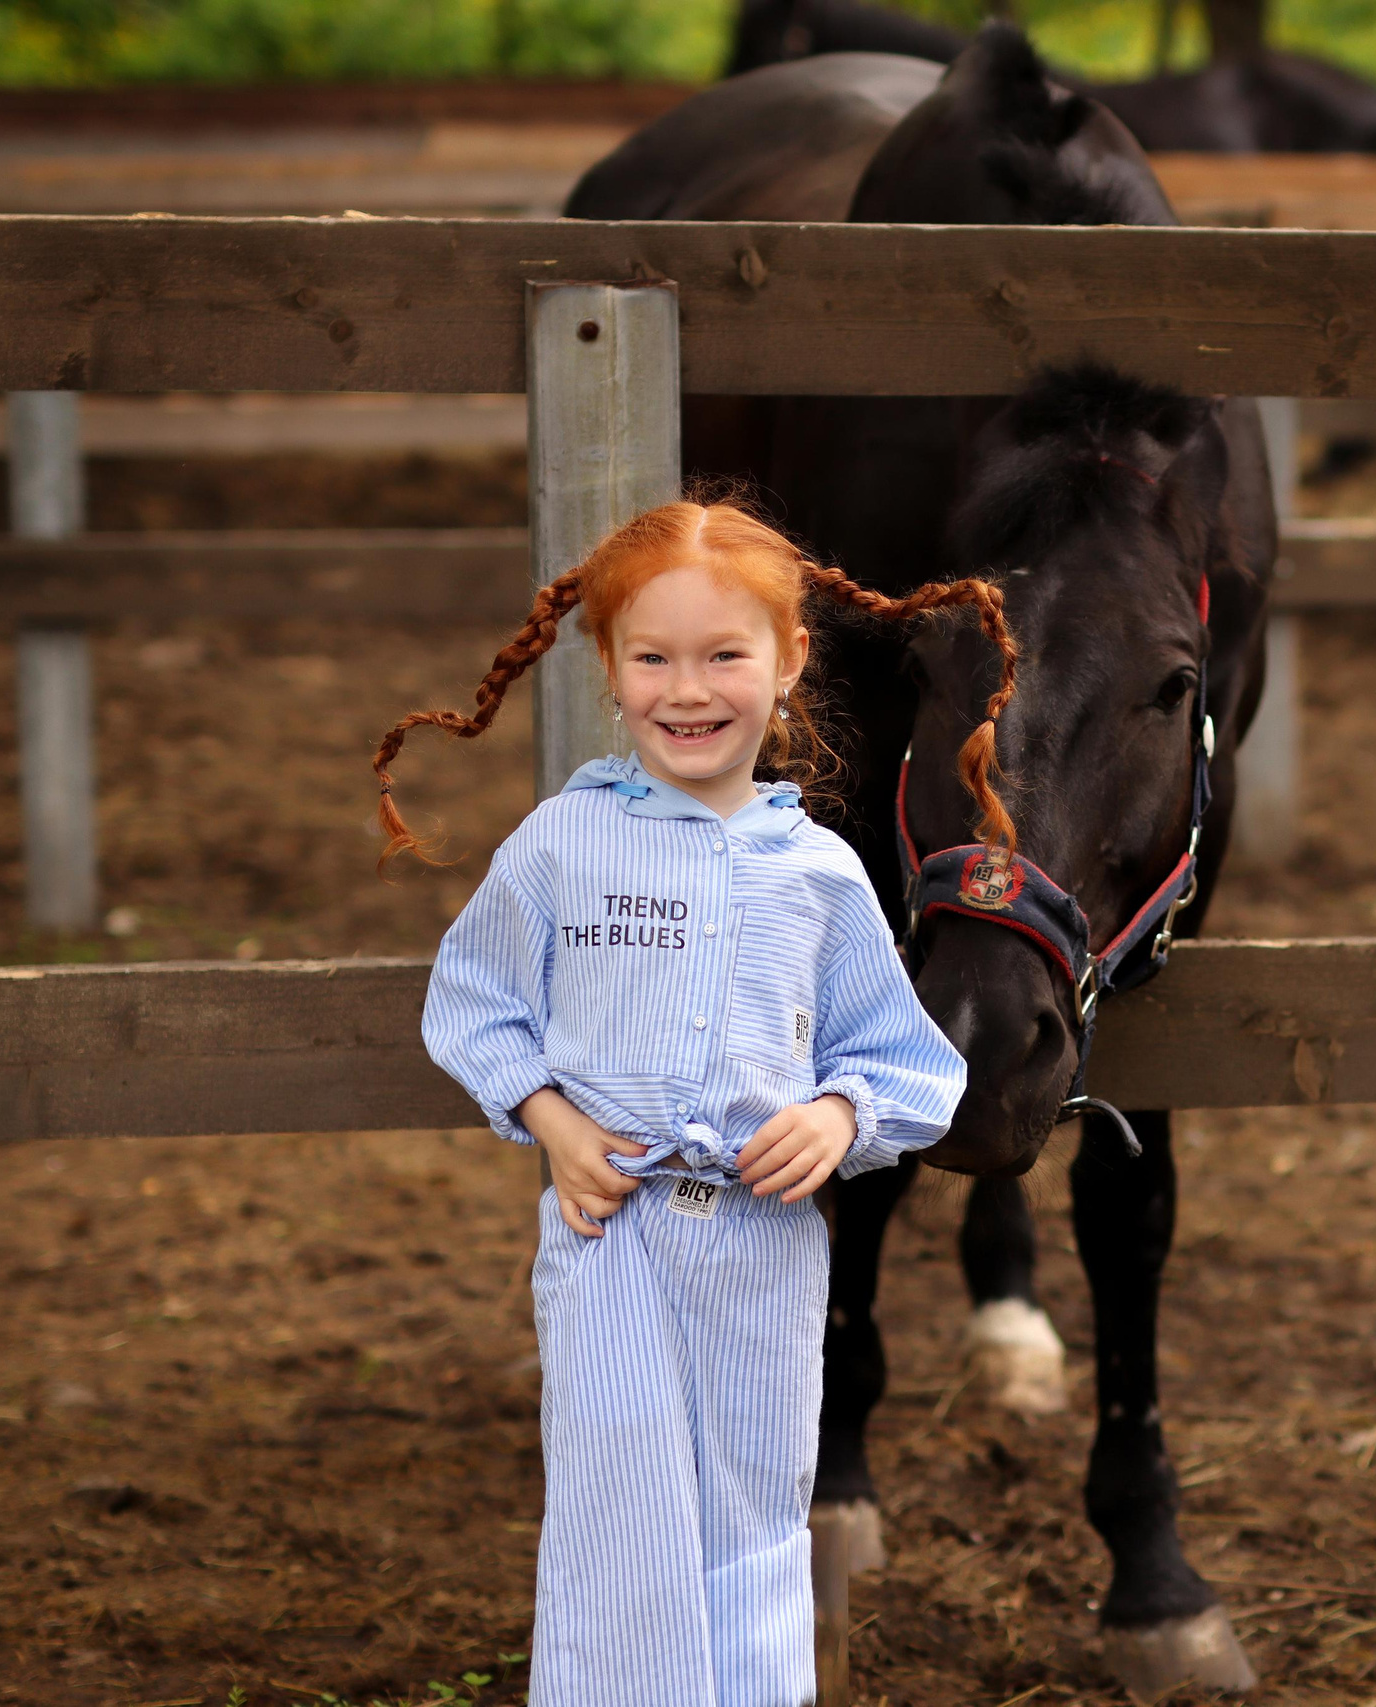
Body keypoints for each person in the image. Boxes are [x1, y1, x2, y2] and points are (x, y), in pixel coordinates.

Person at [371, 499, 1018, 1707]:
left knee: (755, 1512)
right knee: (618, 1516)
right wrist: (557, 1131)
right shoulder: (563, 845)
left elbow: (904, 1061)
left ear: (789, 663)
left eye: (725, 655)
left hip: (768, 1249)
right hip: (609, 1235)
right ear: (609, 671)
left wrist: (835, 1120)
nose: (689, 690)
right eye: (652, 657)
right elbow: (474, 1004)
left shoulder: (819, 872)